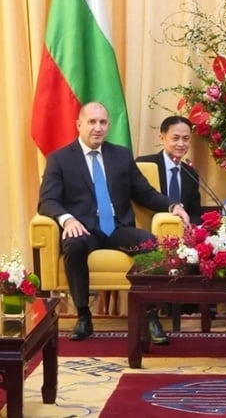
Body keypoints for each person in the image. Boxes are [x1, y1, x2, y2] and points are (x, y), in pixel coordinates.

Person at [37, 101, 190, 343]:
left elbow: (145, 193)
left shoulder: (120, 155)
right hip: (84, 228)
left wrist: (173, 205)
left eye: (103, 122)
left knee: (150, 243)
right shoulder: (60, 159)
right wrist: (67, 220)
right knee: (73, 244)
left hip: (117, 228)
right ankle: (84, 316)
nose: (98, 128)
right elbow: (47, 201)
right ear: (79, 125)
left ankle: (151, 317)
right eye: (92, 122)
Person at [136, 115, 202, 225]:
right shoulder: (145, 164)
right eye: (175, 138)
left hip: (182, 234)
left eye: (186, 139)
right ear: (162, 138)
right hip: (150, 230)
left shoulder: (191, 174)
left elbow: (195, 212)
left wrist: (191, 227)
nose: (181, 144)